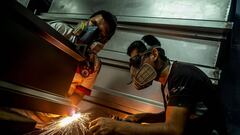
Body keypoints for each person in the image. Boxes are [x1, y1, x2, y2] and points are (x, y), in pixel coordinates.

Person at [89, 37, 226, 135]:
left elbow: (173, 129)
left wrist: (117, 126)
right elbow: (175, 113)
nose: (136, 71)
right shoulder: (167, 80)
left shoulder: (181, 75)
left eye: (137, 61)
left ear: (154, 54)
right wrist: (143, 117)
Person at [48, 10, 117, 105]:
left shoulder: (94, 65)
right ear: (86, 21)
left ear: (103, 41)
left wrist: (63, 109)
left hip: (48, 113)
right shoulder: (59, 30)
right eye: (93, 23)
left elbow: (78, 94)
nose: (93, 31)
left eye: (100, 32)